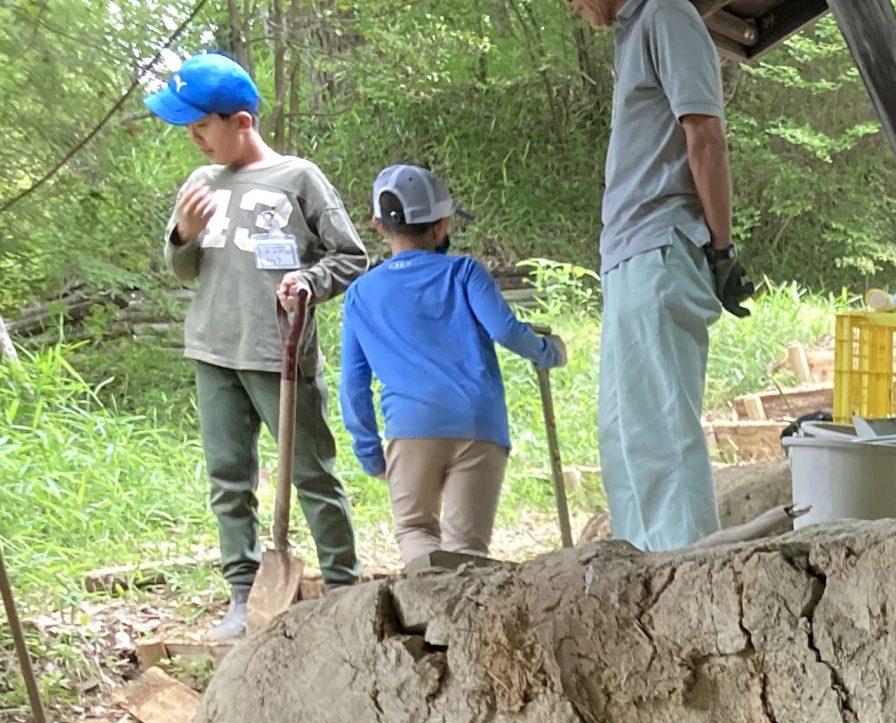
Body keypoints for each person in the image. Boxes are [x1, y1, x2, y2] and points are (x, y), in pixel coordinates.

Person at [150, 53, 366, 637]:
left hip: (279, 353)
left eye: (202, 127)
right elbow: (183, 270)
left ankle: (345, 587)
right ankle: (242, 592)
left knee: (312, 472)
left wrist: (309, 282)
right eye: (188, 130)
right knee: (228, 477)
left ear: (241, 120)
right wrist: (182, 235)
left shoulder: (298, 178)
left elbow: (349, 256)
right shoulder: (199, 185)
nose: (195, 140)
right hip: (214, 350)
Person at [563, 0, 750, 550]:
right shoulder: (633, 30)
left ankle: (688, 575)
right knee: (625, 436)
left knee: (663, 432)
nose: (569, 6)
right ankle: (642, 570)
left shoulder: (668, 14)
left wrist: (721, 250)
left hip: (661, 245)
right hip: (628, 255)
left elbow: (705, 138)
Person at [338, 166, 568, 573]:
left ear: (377, 226)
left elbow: (354, 386)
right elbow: (506, 330)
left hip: (410, 430)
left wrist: (369, 450)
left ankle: (429, 620)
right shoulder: (464, 273)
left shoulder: (360, 294)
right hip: (477, 425)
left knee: (415, 530)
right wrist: (547, 352)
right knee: (467, 549)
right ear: (442, 223)